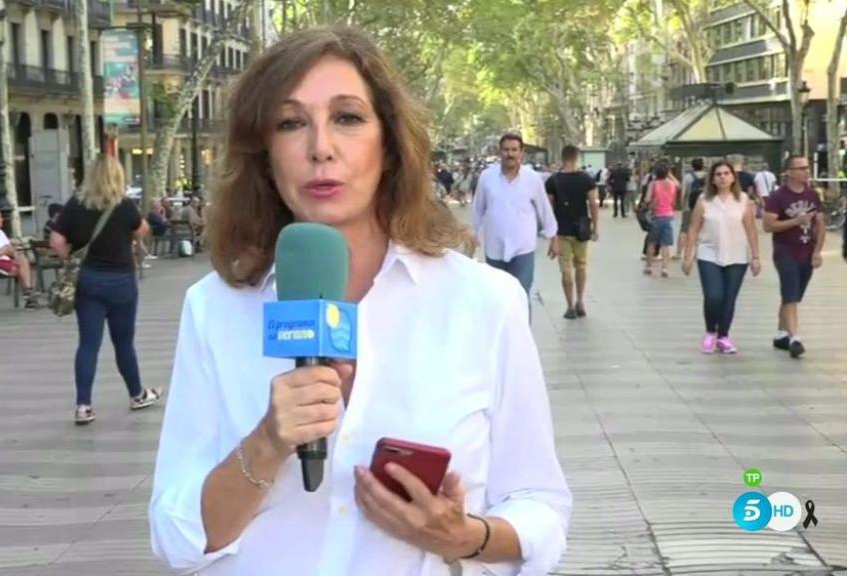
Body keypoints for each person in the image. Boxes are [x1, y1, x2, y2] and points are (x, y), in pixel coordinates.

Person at [150, 27, 571, 576]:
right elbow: (176, 537)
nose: (320, 147)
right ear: (264, 153)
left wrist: (465, 535)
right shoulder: (214, 308)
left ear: (391, 144)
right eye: (290, 122)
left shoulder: (486, 302)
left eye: (347, 117)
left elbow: (541, 505)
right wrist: (267, 443)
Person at [50, 154, 163, 424]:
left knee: (88, 344)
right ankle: (137, 394)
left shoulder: (75, 205)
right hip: (122, 280)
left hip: (88, 280)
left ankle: (83, 406)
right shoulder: (123, 206)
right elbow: (143, 229)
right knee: (123, 343)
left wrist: (70, 256)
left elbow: (56, 240)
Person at [681, 161, 761, 354]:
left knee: (729, 298)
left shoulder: (743, 200)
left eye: (726, 173)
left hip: (737, 256)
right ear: (713, 179)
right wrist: (688, 256)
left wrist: (756, 256)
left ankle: (723, 336)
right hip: (709, 254)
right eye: (718, 174)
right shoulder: (704, 201)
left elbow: (751, 230)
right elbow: (693, 229)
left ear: (733, 177)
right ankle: (710, 331)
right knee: (714, 296)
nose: (723, 177)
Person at [473, 132, 559, 299]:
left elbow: (544, 209)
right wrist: (473, 233)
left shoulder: (532, 179)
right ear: (500, 152)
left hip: (523, 248)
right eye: (506, 150)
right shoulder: (487, 177)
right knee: (498, 298)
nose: (510, 154)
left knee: (521, 296)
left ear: (521, 153)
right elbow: (478, 207)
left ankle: (522, 326)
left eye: (514, 150)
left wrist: (553, 238)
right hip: (495, 248)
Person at [763, 154, 826, 359]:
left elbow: (820, 224)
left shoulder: (813, 195)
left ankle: (781, 334)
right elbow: (768, 225)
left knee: (793, 295)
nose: (806, 171)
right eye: (801, 168)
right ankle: (794, 338)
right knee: (790, 294)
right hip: (785, 251)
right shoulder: (778, 197)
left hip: (806, 251)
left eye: (807, 168)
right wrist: (795, 221)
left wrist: (817, 252)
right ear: (789, 172)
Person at [546, 145, 598, 319]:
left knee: (566, 269)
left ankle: (569, 306)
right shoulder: (586, 179)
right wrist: (595, 226)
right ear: (577, 158)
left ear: (562, 157)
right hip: (581, 230)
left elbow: (549, 208)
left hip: (561, 230)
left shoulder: (553, 180)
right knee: (581, 265)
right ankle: (581, 301)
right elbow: (593, 203)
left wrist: (550, 234)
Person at [0, 210, 40, 308]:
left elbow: (9, 249)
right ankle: (29, 295)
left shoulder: (0, 232)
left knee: (26, 263)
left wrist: (8, 250)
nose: (2, 220)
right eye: (0, 217)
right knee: (20, 266)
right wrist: (7, 249)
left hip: (4, 259)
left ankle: (28, 294)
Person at [642, 164, 680, 277]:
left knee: (652, 242)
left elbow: (647, 199)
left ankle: (649, 266)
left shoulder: (653, 184)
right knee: (665, 244)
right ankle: (665, 268)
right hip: (668, 216)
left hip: (656, 216)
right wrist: (670, 175)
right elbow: (678, 185)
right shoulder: (672, 184)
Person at [678, 158, 707, 258]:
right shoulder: (707, 177)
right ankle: (697, 254)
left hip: (688, 207)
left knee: (684, 229)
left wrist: (682, 205)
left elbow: (683, 193)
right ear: (703, 165)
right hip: (703, 207)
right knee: (701, 230)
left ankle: (679, 252)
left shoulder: (687, 177)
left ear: (692, 166)